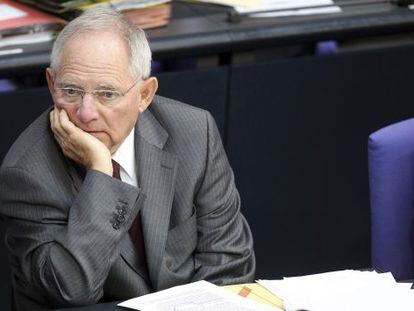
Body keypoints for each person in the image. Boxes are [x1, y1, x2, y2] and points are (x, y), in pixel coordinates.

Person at [0, 7, 255, 311]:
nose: (86, 113)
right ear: (51, 83)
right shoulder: (26, 173)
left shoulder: (195, 133)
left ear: (145, 94)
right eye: (70, 91)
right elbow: (71, 293)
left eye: (107, 94)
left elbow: (229, 267)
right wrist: (101, 174)